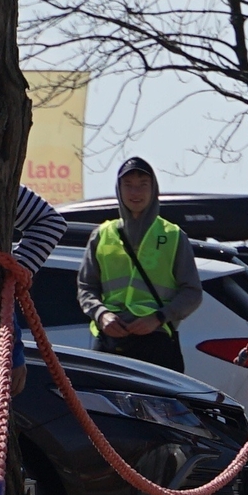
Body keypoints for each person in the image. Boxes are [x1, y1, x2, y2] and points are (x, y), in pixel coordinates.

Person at [77, 157, 204, 372]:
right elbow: (86, 287)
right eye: (128, 186)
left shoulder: (172, 235)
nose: (135, 192)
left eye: (142, 185)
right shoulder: (102, 234)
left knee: (160, 406)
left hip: (156, 340)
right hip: (110, 338)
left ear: (154, 189)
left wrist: (158, 317)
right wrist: (101, 314)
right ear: (119, 189)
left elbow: (192, 293)